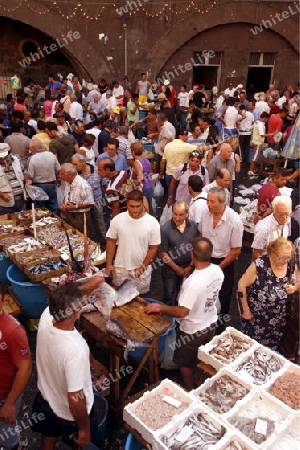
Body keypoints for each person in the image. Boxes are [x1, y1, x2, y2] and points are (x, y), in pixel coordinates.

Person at [31, 281, 104, 449]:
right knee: (80, 443)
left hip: (46, 398)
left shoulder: (45, 317)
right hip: (68, 414)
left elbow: (62, 297)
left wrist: (90, 285)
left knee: (48, 438)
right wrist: (84, 430)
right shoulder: (76, 349)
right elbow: (75, 397)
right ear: (75, 312)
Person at [144, 237, 224, 390]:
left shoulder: (193, 282)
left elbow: (182, 312)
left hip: (192, 329)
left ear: (192, 255)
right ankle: (199, 379)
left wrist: (160, 308)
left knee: (185, 363)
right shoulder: (217, 270)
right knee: (202, 357)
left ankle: (190, 389)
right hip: (211, 322)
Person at [238, 237, 298, 351]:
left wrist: (294, 287)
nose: (286, 260)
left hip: (278, 320)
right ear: (273, 254)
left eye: (288, 257)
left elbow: (297, 279)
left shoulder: (290, 262)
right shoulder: (260, 264)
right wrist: (245, 310)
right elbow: (241, 285)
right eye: (283, 257)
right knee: (250, 349)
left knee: (268, 352)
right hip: (257, 319)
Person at [198, 187, 243, 329]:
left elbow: (236, 250)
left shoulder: (234, 220)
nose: (208, 205)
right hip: (206, 260)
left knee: (222, 298)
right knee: (203, 295)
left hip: (224, 263)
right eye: (208, 201)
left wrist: (219, 267)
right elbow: (201, 236)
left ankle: (219, 330)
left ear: (223, 202)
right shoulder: (206, 214)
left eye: (212, 202)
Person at [106, 189, 160, 294]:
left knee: (140, 301)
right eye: (132, 206)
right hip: (121, 268)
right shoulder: (117, 220)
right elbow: (111, 241)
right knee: (118, 296)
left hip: (141, 271)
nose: (135, 210)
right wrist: (109, 263)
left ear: (142, 204)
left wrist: (142, 267)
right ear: (127, 204)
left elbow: (154, 248)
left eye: (138, 206)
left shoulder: (153, 223)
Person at [0, 281, 32, 450]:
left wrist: (10, 404)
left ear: (3, 302)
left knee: (6, 435)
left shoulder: (13, 331)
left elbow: (25, 368)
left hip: (4, 395)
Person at [159, 201, 198, 306]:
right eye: (175, 214)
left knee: (185, 295)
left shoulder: (194, 226)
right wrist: (177, 269)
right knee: (169, 295)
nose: (177, 217)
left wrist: (190, 266)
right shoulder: (164, 229)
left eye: (180, 215)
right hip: (170, 270)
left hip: (189, 267)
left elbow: (195, 247)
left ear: (187, 214)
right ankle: (167, 319)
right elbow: (163, 254)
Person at [71, 154, 106, 248]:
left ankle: (104, 243)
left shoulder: (96, 170)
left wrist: (105, 201)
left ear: (83, 162)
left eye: (75, 164)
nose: (74, 167)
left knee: (100, 223)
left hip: (97, 201)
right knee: (88, 224)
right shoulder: (75, 175)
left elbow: (104, 185)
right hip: (83, 204)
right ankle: (92, 243)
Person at [26, 138, 60, 214]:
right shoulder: (51, 155)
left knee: (40, 210)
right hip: (52, 185)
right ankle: (56, 223)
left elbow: (30, 176)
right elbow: (58, 170)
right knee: (53, 207)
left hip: (38, 186)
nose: (30, 150)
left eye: (30, 148)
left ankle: (41, 225)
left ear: (34, 147)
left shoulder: (32, 158)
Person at [59, 163, 94, 234]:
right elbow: (66, 195)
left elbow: (90, 203)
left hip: (80, 216)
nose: (59, 175)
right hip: (70, 214)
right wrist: (63, 204)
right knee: (72, 234)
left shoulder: (83, 185)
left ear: (69, 174)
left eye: (61, 173)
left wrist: (75, 207)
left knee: (82, 235)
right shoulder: (67, 182)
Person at [0, 143, 26, 215]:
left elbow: (24, 172)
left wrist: (27, 179)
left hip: (20, 200)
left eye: (4, 157)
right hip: (5, 204)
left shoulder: (16, 160)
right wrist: (2, 195)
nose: (2, 159)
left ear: (9, 154)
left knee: (22, 221)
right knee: (7, 224)